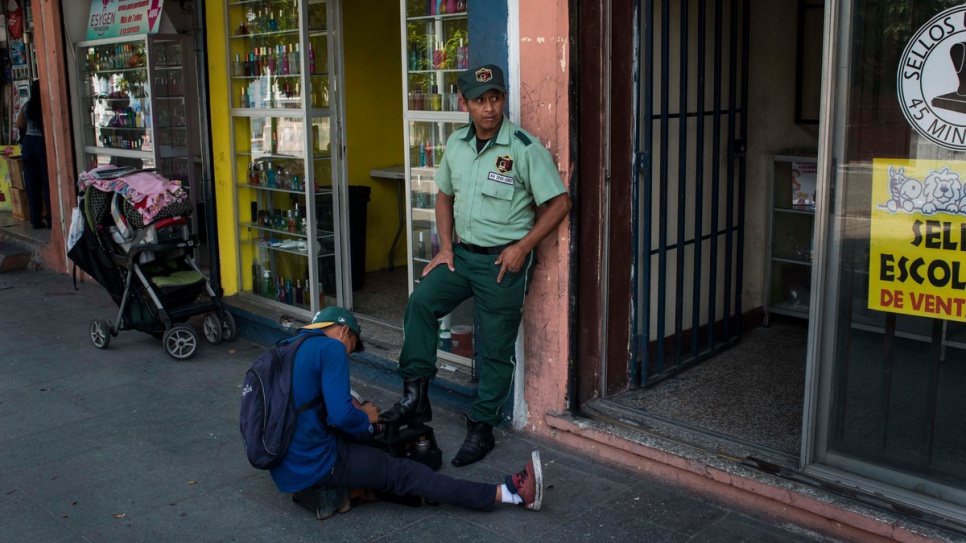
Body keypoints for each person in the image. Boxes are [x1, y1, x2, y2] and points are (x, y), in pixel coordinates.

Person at [381, 64, 572, 467]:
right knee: (421, 303)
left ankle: (483, 427)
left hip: (503, 263)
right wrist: (446, 247)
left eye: (496, 98)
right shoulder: (456, 145)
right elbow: (444, 195)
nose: (489, 108)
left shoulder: (522, 147)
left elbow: (559, 203)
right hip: (462, 257)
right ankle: (416, 396)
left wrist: (523, 246)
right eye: (480, 100)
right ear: (464, 103)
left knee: (496, 349)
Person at [269, 306, 544, 512]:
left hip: (284, 466)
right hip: (314, 464)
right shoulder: (330, 348)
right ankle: (511, 494)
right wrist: (365, 417)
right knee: (403, 472)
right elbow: (341, 416)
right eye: (351, 348)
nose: (348, 355)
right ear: (343, 332)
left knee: (370, 450)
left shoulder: (286, 346)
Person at [17, 80, 51, 229]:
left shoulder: (28, 106)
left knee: (32, 183)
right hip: (42, 143)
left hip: (29, 143)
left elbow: (19, 124)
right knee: (47, 182)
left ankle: (35, 219)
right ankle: (51, 218)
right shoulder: (47, 105)